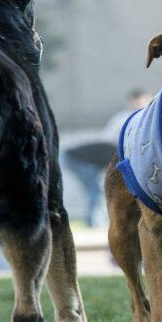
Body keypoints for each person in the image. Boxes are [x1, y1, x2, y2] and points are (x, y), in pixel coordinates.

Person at [65, 90, 151, 228]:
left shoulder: (142, 118)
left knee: (98, 188)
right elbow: (107, 142)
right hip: (75, 158)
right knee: (96, 189)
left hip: (91, 158)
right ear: (132, 101)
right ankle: (94, 223)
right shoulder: (124, 118)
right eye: (142, 101)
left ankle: (96, 222)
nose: (145, 105)